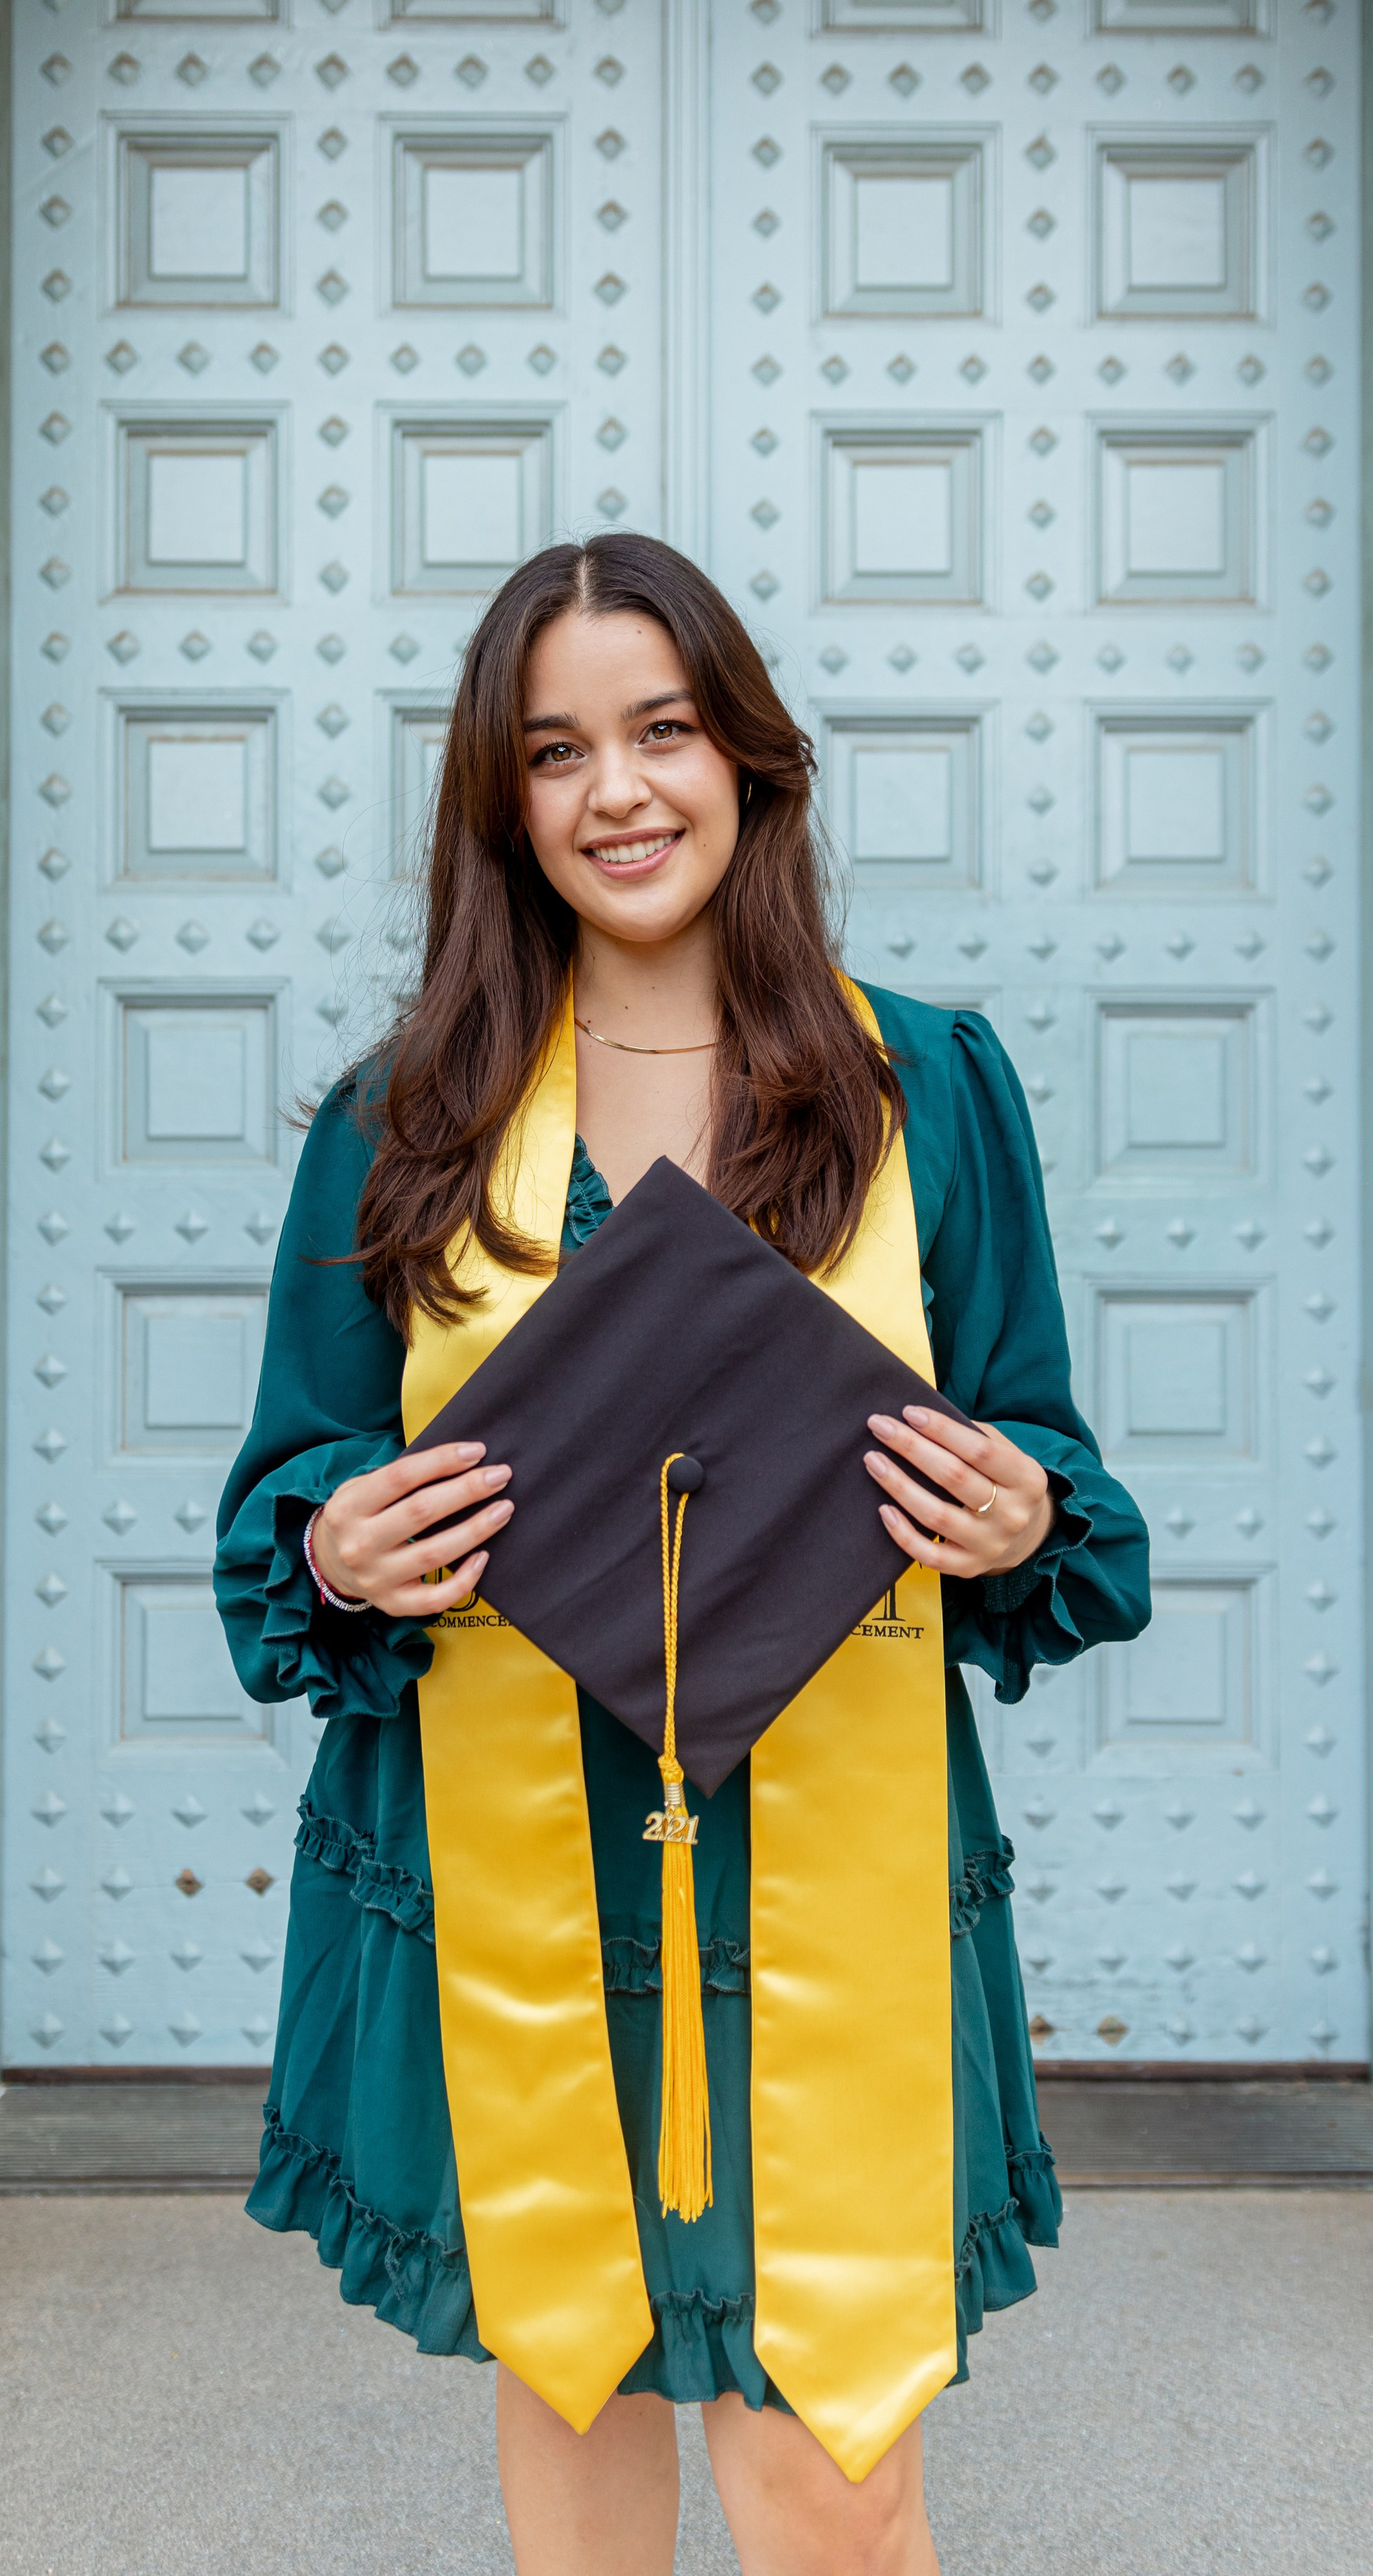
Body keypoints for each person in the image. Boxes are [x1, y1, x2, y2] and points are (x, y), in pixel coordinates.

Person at [214, 533, 1150, 2576]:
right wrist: (344, 1541)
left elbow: (1058, 1478)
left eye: (661, 729)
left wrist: (1019, 1515)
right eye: (554, 751)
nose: (618, 790)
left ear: (748, 756)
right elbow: (281, 1501)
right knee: (578, 2396)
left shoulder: (927, 1088)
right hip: (515, 1847)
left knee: (830, 2465)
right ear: (501, 802)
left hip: (831, 1858)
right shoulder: (407, 1120)